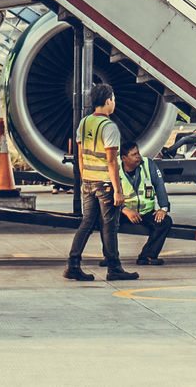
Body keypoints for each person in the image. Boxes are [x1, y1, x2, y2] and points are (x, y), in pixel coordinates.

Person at [65, 83, 138, 281]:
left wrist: (84, 179)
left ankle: (73, 264)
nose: (114, 103)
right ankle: (114, 268)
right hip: (105, 184)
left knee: (86, 223)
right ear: (107, 101)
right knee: (109, 226)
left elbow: (79, 156)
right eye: (113, 99)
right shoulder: (109, 127)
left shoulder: (84, 123)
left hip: (88, 181)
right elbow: (112, 161)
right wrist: (117, 190)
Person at [117, 140, 173, 266]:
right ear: (124, 158)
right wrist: (125, 209)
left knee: (165, 222)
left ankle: (147, 256)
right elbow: (109, 196)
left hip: (145, 212)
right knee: (106, 221)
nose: (139, 156)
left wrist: (163, 208)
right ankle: (111, 257)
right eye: (134, 154)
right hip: (123, 212)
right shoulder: (115, 168)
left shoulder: (148, 164)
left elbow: (159, 185)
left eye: (138, 153)